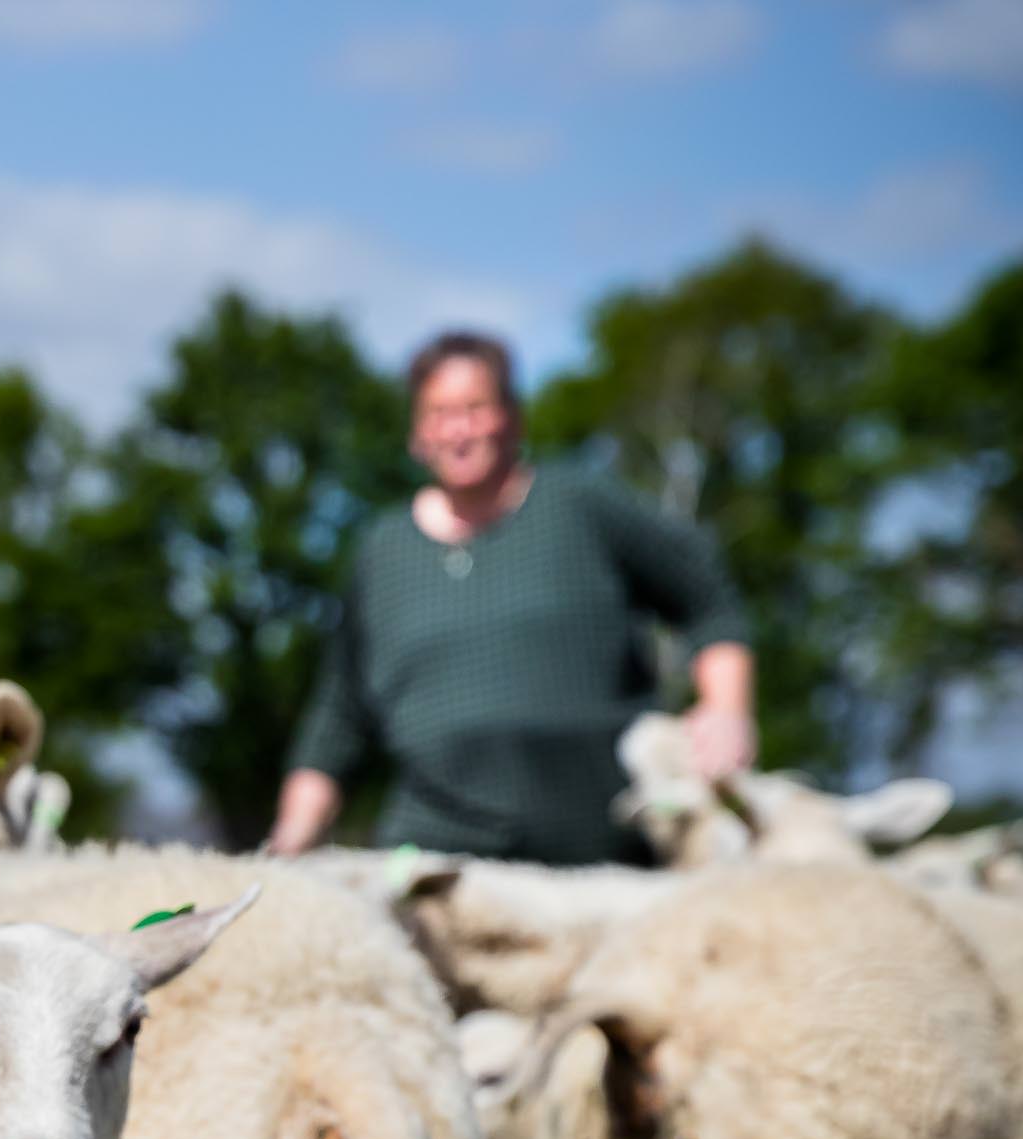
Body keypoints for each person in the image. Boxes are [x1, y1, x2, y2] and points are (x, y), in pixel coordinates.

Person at [265, 330, 755, 865]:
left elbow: (708, 600)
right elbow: (340, 712)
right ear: (416, 433)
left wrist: (726, 709)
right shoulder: (383, 551)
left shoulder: (580, 507)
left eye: (476, 407)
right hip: (437, 862)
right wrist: (293, 835)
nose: (458, 429)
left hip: (604, 860)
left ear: (512, 418)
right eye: (439, 412)